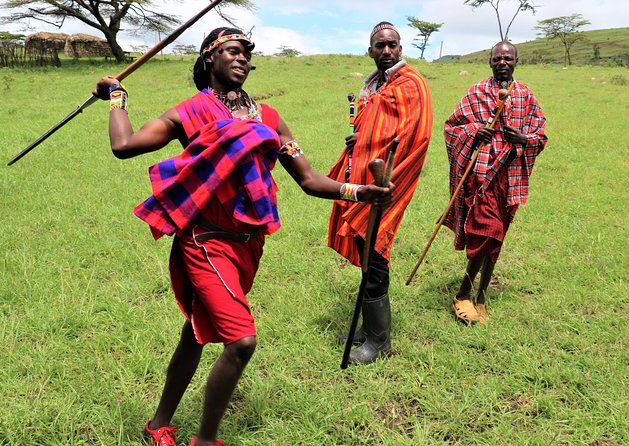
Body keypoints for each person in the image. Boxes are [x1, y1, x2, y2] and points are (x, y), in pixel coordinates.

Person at [92, 28, 392, 446]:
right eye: (232, 51)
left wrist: (359, 191)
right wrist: (118, 98)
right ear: (209, 58)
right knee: (241, 341)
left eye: (247, 54)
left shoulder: (268, 118)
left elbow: (308, 179)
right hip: (205, 242)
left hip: (249, 245)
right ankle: (206, 441)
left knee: (196, 331)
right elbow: (124, 146)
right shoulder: (190, 112)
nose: (242, 59)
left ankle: (158, 424)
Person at [327, 22, 433, 365]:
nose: (386, 51)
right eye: (379, 46)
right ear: (370, 50)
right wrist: (360, 139)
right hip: (364, 179)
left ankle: (379, 342)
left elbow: (414, 135)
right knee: (366, 251)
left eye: (392, 45)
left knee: (376, 254)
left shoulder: (411, 83)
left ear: (400, 49)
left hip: (388, 180)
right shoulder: (373, 84)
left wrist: (374, 151)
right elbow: (374, 126)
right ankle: (368, 330)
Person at [443, 40, 547, 323]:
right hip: (481, 177)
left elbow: (541, 136)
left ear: (516, 61)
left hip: (511, 180)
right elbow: (452, 127)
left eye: (508, 58)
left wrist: (523, 139)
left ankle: (481, 296)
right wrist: (475, 132)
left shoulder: (526, 97)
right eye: (497, 58)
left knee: (497, 238)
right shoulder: (476, 92)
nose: (502, 62)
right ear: (490, 62)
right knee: (487, 232)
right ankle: (463, 294)